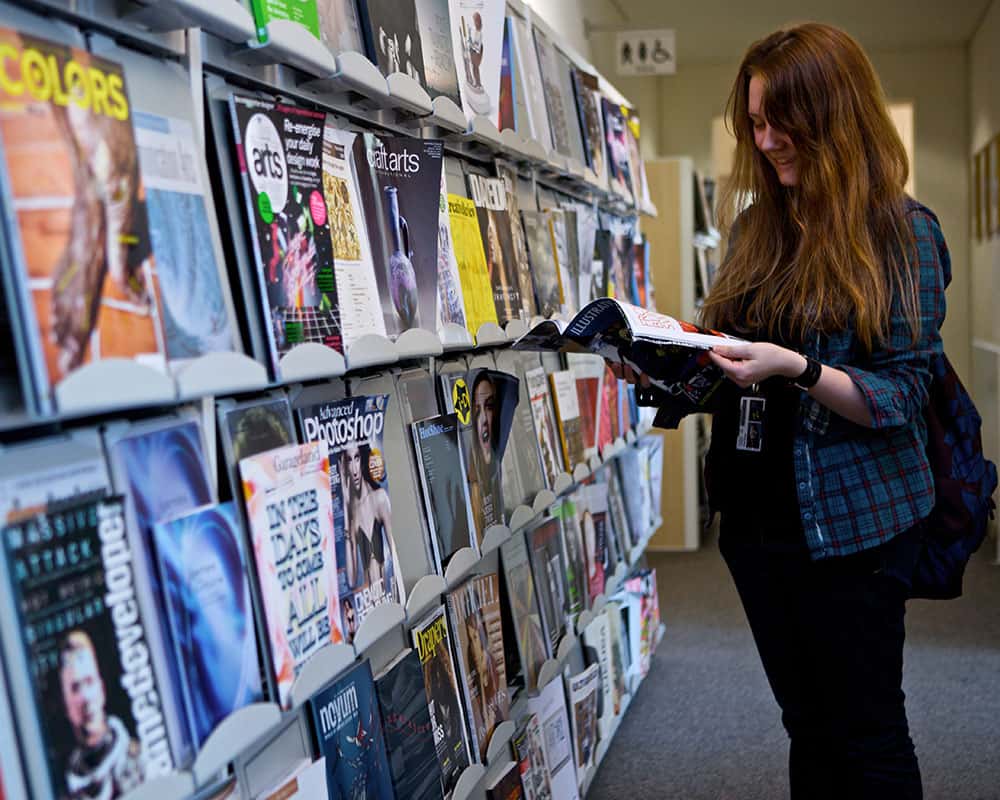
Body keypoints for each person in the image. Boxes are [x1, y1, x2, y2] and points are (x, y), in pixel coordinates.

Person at [616, 23, 947, 800]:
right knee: (806, 722)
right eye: (754, 124)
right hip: (755, 524)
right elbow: (728, 369)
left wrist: (798, 367)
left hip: (853, 527)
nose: (764, 142)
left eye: (779, 123)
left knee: (865, 732)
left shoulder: (902, 234)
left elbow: (903, 395)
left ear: (835, 116)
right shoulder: (753, 228)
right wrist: (653, 364)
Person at [59, 630, 142, 800]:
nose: (85, 698)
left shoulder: (142, 760)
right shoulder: (66, 791)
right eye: (75, 688)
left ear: (101, 688)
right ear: (65, 704)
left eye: (89, 682)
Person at [340, 440, 394, 605]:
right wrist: (345, 501)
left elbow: (395, 554)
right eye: (349, 460)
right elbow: (351, 579)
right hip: (370, 609)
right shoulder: (351, 514)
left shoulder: (379, 498)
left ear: (362, 460)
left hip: (389, 602)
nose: (355, 470)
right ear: (344, 467)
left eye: (357, 458)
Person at [467, 372, 504, 537]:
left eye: (489, 407)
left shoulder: (500, 469)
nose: (483, 419)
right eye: (477, 409)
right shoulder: (472, 485)